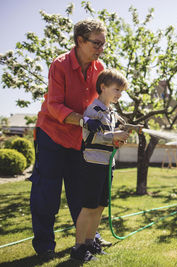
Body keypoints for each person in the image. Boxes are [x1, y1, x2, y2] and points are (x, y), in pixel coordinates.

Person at [29, 19, 111, 261]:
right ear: (80, 41)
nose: (101, 49)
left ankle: (87, 239)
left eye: (103, 44)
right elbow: (54, 105)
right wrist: (83, 120)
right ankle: (44, 245)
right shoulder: (60, 65)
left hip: (79, 139)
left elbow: (103, 103)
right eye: (96, 43)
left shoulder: (99, 68)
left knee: (82, 192)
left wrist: (110, 126)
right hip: (52, 136)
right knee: (47, 193)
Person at [70, 69, 130, 262]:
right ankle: (78, 248)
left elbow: (108, 139)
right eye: (116, 89)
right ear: (103, 87)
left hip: (106, 164)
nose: (119, 94)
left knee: (101, 205)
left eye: (121, 91)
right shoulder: (93, 111)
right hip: (93, 164)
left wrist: (117, 140)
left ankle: (90, 242)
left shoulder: (111, 113)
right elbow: (90, 138)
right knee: (88, 206)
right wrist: (114, 137)